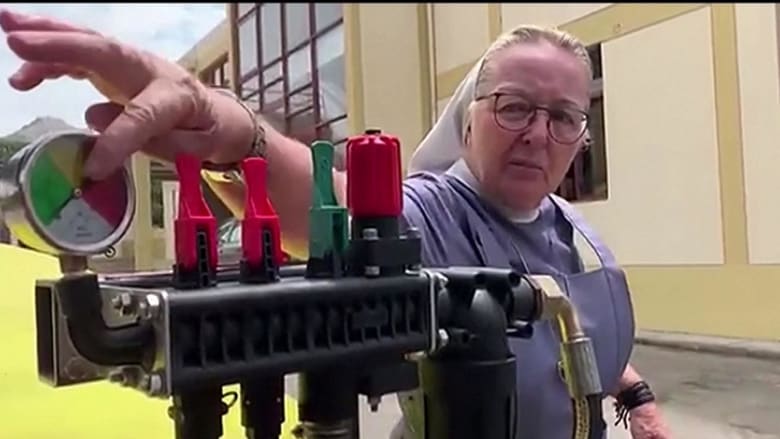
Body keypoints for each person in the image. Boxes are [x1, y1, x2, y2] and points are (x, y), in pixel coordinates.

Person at [0, 8, 671, 439]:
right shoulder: (435, 213)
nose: (537, 134)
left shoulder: (571, 230)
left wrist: (636, 395)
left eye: (563, 117)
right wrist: (239, 135)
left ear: (582, 134)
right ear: (468, 119)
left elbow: (575, 323)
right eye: (515, 107)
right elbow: (342, 208)